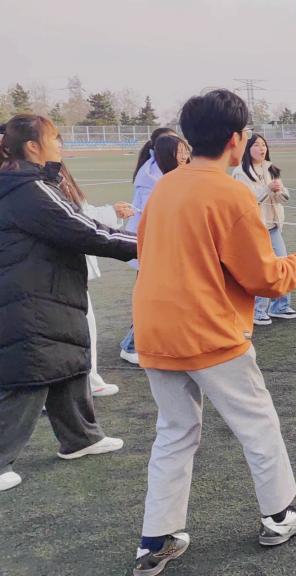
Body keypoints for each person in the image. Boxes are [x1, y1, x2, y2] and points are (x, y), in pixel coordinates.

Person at [131, 90, 296, 576]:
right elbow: (266, 279)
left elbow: (151, 251)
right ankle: (279, 516)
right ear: (236, 139)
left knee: (174, 432)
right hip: (209, 333)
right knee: (258, 424)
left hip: (156, 332)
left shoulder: (165, 188)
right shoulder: (231, 193)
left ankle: (155, 539)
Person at [0, 114, 137, 493]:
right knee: (29, 374)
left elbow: (80, 223)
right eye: (54, 138)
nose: (60, 144)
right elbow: (82, 230)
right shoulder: (28, 189)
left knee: (69, 361)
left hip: (51, 291)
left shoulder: (35, 183)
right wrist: (146, 245)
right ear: (32, 146)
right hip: (29, 297)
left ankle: (80, 438)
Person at [58, 164, 137, 398]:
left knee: (82, 326)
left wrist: (112, 213)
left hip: (65, 271)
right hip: (53, 272)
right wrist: (139, 243)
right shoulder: (36, 184)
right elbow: (78, 224)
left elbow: (81, 216)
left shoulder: (49, 176)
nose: (58, 148)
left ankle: (86, 380)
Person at [120, 127, 179, 365]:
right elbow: (154, 217)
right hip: (150, 245)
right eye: (178, 148)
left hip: (156, 245)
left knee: (160, 296)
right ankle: (131, 344)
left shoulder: (159, 172)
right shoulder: (152, 176)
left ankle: (154, 339)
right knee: (151, 296)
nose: (184, 153)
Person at [233, 133, 296, 324]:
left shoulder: (271, 169)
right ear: (247, 149)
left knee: (282, 264)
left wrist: (279, 190)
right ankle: (257, 310)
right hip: (254, 228)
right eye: (256, 145)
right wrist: (268, 188)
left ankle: (280, 306)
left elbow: (284, 198)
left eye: (263, 145)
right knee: (261, 268)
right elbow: (247, 202)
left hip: (273, 226)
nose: (261, 148)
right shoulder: (240, 173)